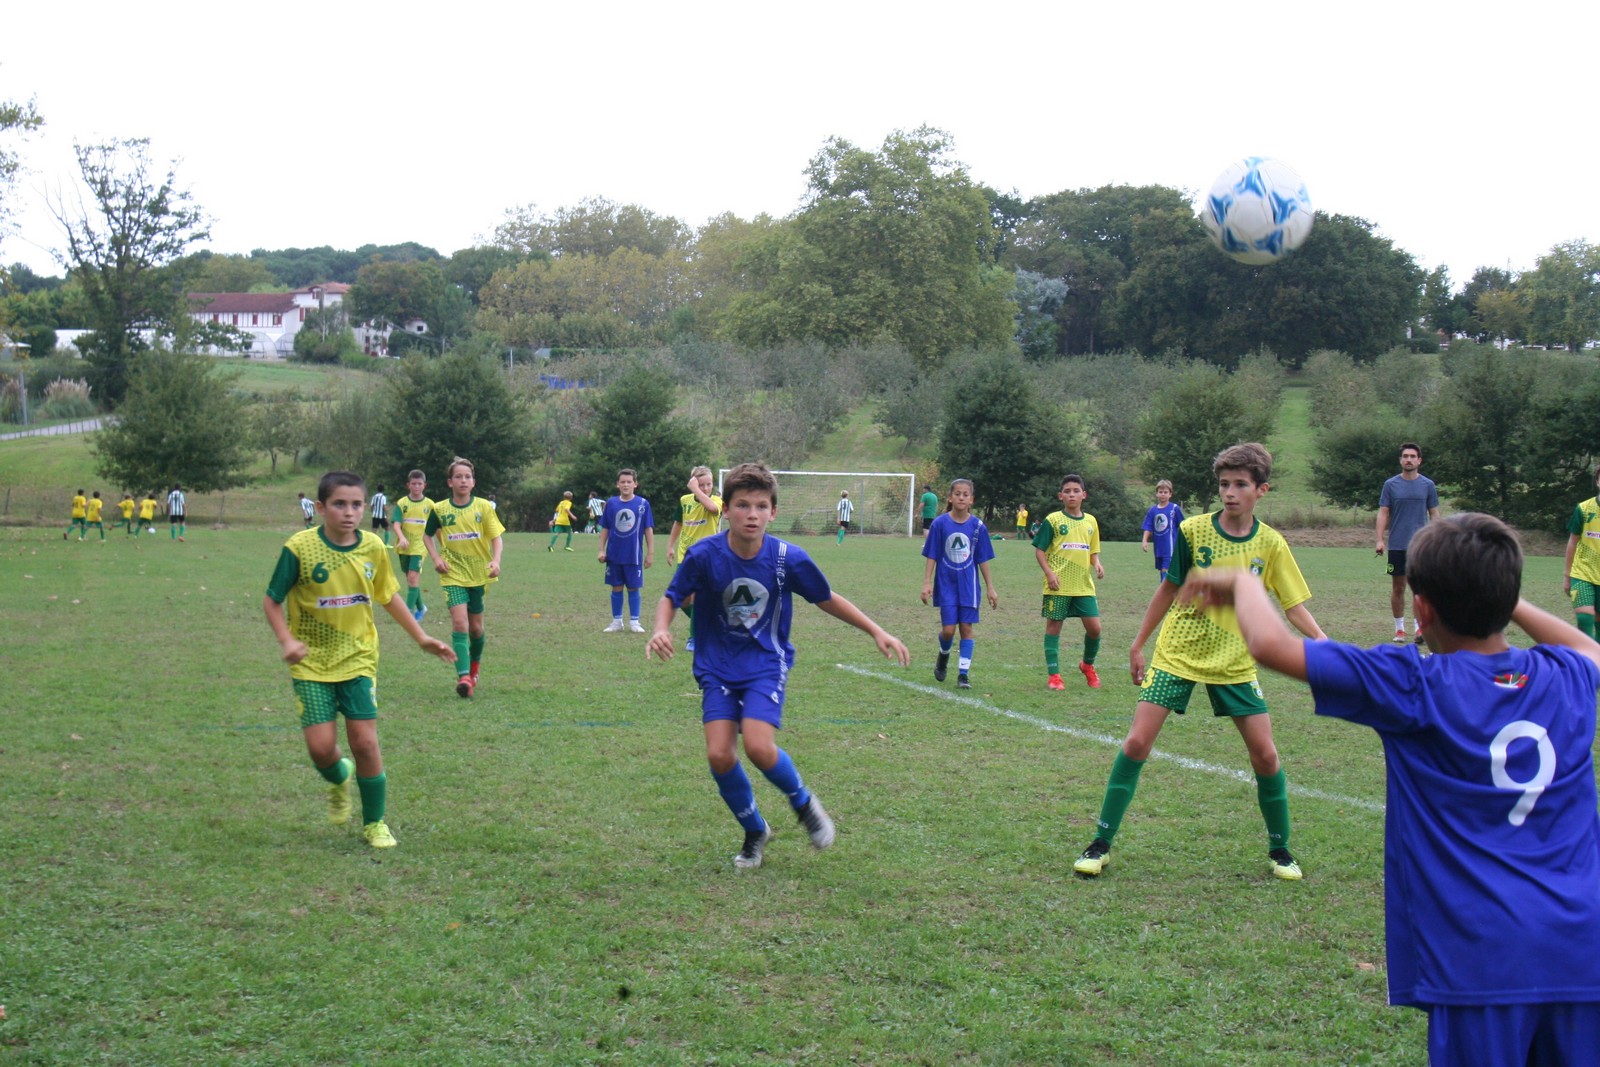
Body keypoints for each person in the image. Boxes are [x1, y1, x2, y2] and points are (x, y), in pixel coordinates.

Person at [1186, 512, 1600, 1065]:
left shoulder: (1414, 683)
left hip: (1482, 960)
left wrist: (1242, 582)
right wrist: (1504, 600)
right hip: (1583, 946)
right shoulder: (1564, 675)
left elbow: (1270, 645)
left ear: (1421, 609)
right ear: (1505, 600)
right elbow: (1589, 649)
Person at [1072, 443, 1326, 882]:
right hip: (1178, 653)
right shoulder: (1192, 530)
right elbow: (1169, 588)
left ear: (1261, 490)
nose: (1230, 492)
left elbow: (1293, 606)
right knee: (1136, 744)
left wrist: (1324, 645)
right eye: (1224, 484)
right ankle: (1100, 844)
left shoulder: (1271, 543)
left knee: (1265, 755)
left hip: (1235, 661)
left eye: (1240, 484)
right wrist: (1138, 644)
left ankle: (1281, 850)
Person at [647, 462, 910, 869]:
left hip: (764, 663)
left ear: (773, 512)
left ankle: (803, 804)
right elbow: (672, 596)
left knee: (758, 746)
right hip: (716, 665)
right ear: (726, 510)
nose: (751, 514)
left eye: (761, 506)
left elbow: (826, 597)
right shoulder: (704, 555)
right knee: (719, 756)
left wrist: (876, 630)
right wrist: (661, 628)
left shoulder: (787, 558)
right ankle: (755, 829)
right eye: (742, 505)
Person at [263, 470, 455, 849]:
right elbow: (272, 600)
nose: (348, 512)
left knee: (365, 743)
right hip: (311, 664)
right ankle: (338, 777)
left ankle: (375, 823)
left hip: (358, 658)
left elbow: (388, 596)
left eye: (355, 505)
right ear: (321, 508)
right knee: (321, 749)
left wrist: (421, 637)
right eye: (339, 504)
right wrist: (286, 640)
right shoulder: (299, 547)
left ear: (365, 507)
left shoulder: (372, 547)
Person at [423, 457, 505, 698]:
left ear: (473, 482)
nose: (463, 480)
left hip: (479, 574)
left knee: (476, 629)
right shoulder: (440, 509)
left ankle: (474, 668)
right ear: (450, 482)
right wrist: (436, 558)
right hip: (453, 574)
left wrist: (495, 560)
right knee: (460, 623)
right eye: (458, 477)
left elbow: (496, 537)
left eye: (467, 477)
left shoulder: (483, 507)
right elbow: (427, 536)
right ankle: (464, 677)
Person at [921, 478, 998, 689]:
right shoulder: (939, 524)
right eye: (957, 494)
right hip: (946, 584)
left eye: (966, 494)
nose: (961, 498)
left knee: (966, 628)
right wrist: (927, 583)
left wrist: (990, 587)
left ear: (971, 499)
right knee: (948, 630)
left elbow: (982, 559)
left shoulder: (978, 527)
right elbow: (932, 554)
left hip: (969, 586)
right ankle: (943, 654)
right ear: (950, 497)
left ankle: (963, 675)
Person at [1033, 474, 1105, 690]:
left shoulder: (1091, 521)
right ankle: (1054, 676)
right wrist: (1049, 573)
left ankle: (1087, 665)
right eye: (1067, 491)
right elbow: (1039, 551)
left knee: (1095, 629)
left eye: (1076, 491)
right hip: (1058, 585)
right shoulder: (1053, 520)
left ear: (1084, 495)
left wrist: (1097, 563)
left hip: (1083, 585)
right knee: (1054, 627)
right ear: (1060, 496)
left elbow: (1093, 550)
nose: (1072, 495)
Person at [1375, 442, 1439, 644]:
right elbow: (1383, 512)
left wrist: (1437, 538)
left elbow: (1434, 513)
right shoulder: (1390, 485)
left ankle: (1419, 630)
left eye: (1412, 456)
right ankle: (1399, 629)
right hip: (1397, 545)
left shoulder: (1428, 485)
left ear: (1419, 460)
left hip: (1420, 547)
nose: (1409, 460)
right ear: (1400, 460)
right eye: (1405, 456)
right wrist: (1379, 540)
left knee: (1419, 590)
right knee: (1398, 588)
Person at [666, 466, 724, 652]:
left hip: (707, 557)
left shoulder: (716, 500)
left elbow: (712, 509)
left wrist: (696, 490)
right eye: (701, 485)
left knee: (698, 597)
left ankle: (694, 638)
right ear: (693, 483)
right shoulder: (685, 501)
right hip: (685, 555)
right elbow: (679, 523)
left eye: (709, 484)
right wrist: (670, 546)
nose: (706, 488)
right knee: (680, 598)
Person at [598, 468, 653, 633]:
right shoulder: (611, 503)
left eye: (629, 482)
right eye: (623, 482)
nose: (626, 485)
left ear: (635, 484)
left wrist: (650, 553)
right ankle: (617, 621)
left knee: (633, 587)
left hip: (633, 555)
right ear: (617, 484)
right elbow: (605, 528)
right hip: (614, 554)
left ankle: (635, 621)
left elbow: (648, 529)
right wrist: (601, 550)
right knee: (616, 586)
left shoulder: (643, 504)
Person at [391, 470, 433, 622]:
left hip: (420, 547)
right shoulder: (402, 503)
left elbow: (437, 528)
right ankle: (421, 608)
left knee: (413, 578)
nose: (416, 487)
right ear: (408, 485)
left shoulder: (430, 505)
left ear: (424, 485)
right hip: (404, 547)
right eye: (413, 484)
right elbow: (396, 524)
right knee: (411, 580)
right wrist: (401, 537)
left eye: (419, 484)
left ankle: (407, 614)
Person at [1140, 480, 1186, 583]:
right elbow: (1148, 527)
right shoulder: (1152, 510)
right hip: (1158, 548)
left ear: (1170, 494)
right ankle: (1169, 590)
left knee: (1166, 571)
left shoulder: (1174, 509)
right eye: (1160, 492)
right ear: (1157, 494)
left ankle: (1166, 591)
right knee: (1161, 571)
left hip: (1170, 547)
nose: (1163, 494)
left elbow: (1183, 526)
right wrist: (1144, 541)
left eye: (1165, 492)